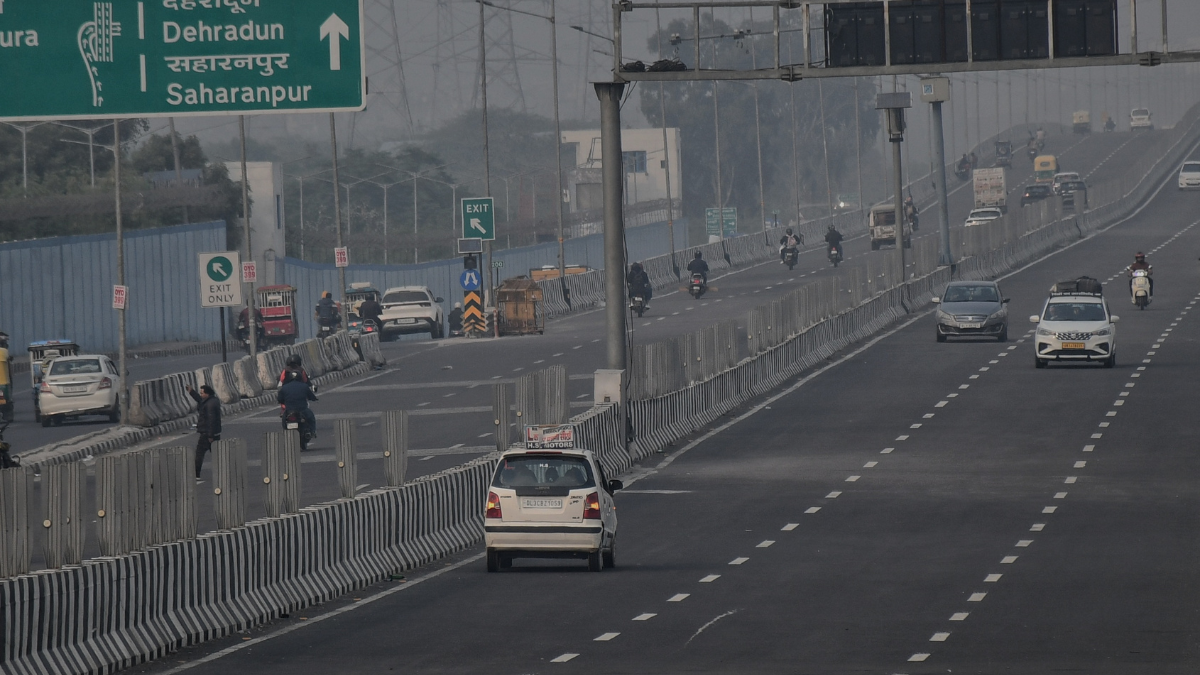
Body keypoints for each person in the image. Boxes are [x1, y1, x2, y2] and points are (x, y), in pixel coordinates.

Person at [186, 384, 221, 481]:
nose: (201, 395)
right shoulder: (211, 401)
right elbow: (200, 400)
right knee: (217, 454)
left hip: (207, 434)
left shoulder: (210, 405)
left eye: (202, 393)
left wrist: (210, 435)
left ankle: (196, 474)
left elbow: (211, 420)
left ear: (207, 394)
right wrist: (191, 392)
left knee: (199, 454)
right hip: (214, 433)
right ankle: (222, 472)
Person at [277, 371, 318, 438]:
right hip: (302, 409)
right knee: (311, 418)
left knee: (284, 420)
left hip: (289, 410)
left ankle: (285, 433)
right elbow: (311, 396)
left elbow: (279, 399)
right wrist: (314, 398)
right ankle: (312, 432)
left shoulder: (284, 388)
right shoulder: (304, 386)